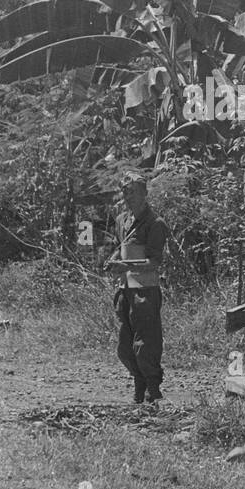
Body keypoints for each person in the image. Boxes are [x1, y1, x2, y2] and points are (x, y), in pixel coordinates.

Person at [105, 172, 168, 406]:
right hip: (125, 290)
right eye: (125, 191)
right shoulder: (122, 220)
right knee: (125, 347)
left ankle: (152, 388)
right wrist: (112, 262)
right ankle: (138, 383)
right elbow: (120, 248)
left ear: (144, 194)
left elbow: (154, 261)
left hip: (146, 290)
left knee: (146, 344)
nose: (128, 196)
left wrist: (126, 266)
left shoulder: (155, 223)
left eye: (132, 191)